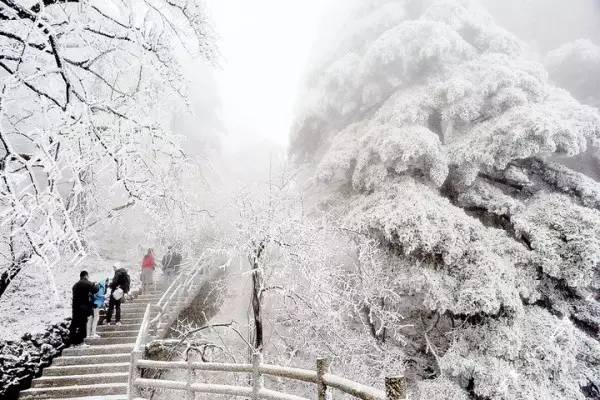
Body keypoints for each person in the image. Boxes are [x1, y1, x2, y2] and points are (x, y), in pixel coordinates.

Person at [70, 271, 98, 346]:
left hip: (75, 308)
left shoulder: (75, 285)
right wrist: (95, 284)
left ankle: (73, 343)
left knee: (74, 325)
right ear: (86, 276)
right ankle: (81, 343)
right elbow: (95, 289)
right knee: (82, 325)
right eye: (88, 276)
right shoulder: (86, 282)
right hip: (83, 307)